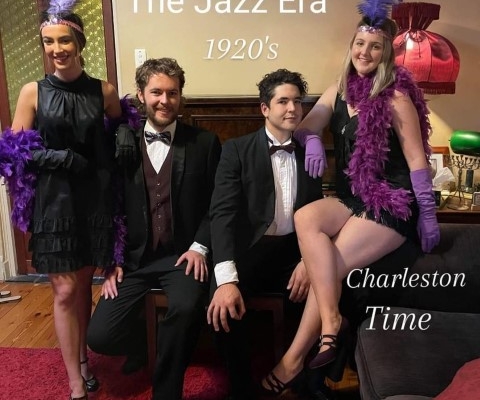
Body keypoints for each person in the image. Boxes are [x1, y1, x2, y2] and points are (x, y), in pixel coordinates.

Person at [260, 1, 441, 395]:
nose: (365, 52)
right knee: (307, 217)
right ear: (352, 46)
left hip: (390, 201)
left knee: (330, 267)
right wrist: (310, 139)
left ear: (386, 53)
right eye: (360, 44)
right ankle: (331, 323)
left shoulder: (395, 98)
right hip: (353, 196)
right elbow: (308, 124)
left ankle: (294, 359)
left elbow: (416, 160)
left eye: (375, 47)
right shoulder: (340, 88)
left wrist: (427, 213)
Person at [0, 2, 122, 399]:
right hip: (54, 203)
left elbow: (120, 134)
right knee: (65, 291)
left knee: (84, 286)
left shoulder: (104, 91)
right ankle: (74, 382)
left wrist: (121, 139)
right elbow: (14, 152)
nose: (56, 49)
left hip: (93, 202)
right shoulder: (32, 92)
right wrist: (60, 158)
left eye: (64, 40)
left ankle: (83, 361)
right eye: (48, 42)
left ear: (79, 43)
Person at [86, 57, 222, 400]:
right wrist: (113, 259)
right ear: (141, 95)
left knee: (187, 307)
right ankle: (147, 343)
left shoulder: (205, 143)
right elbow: (108, 203)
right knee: (99, 337)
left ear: (180, 96)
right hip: (135, 260)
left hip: (183, 256)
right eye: (157, 92)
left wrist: (200, 246)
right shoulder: (122, 142)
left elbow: (218, 204)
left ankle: (166, 391)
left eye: (172, 93)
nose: (165, 100)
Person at [206, 69, 324, 399]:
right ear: (265, 108)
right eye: (283, 101)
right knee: (223, 307)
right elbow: (222, 215)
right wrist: (226, 279)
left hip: (292, 251)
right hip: (249, 252)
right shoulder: (236, 150)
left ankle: (307, 380)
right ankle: (241, 389)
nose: (293, 108)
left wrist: (308, 260)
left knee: (330, 288)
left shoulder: (310, 153)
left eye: (297, 101)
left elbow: (317, 212)